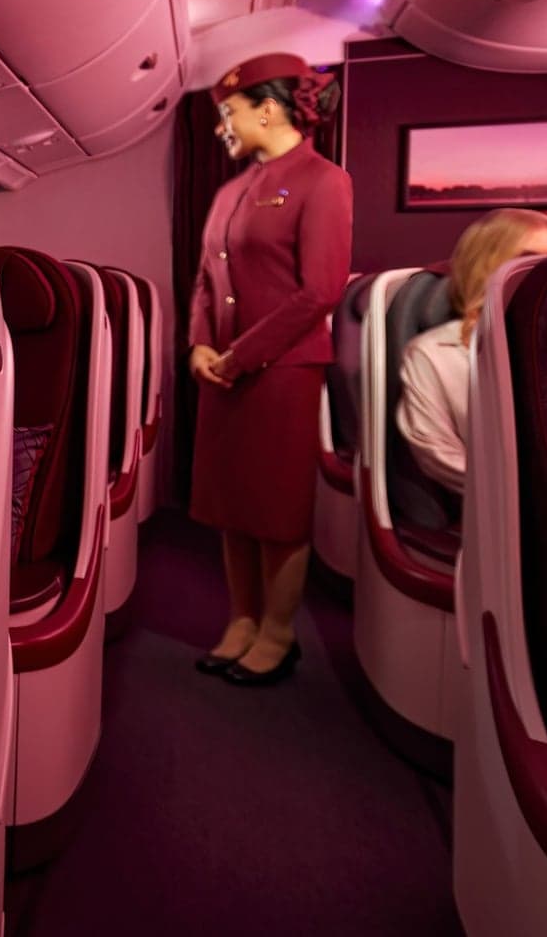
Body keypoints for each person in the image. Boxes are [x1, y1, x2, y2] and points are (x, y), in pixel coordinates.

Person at [187, 52, 350, 686]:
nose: (223, 125)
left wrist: (240, 355)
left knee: (276, 512)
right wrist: (200, 345)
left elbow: (321, 292)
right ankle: (242, 619)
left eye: (230, 112)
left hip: (281, 372)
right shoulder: (230, 190)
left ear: (269, 108)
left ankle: (279, 634)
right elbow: (205, 278)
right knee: (234, 505)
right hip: (221, 372)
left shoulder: (323, 181)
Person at [397, 208, 547, 494]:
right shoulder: (434, 355)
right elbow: (437, 456)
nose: (543, 285)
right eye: (529, 266)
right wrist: (530, 496)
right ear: (485, 268)